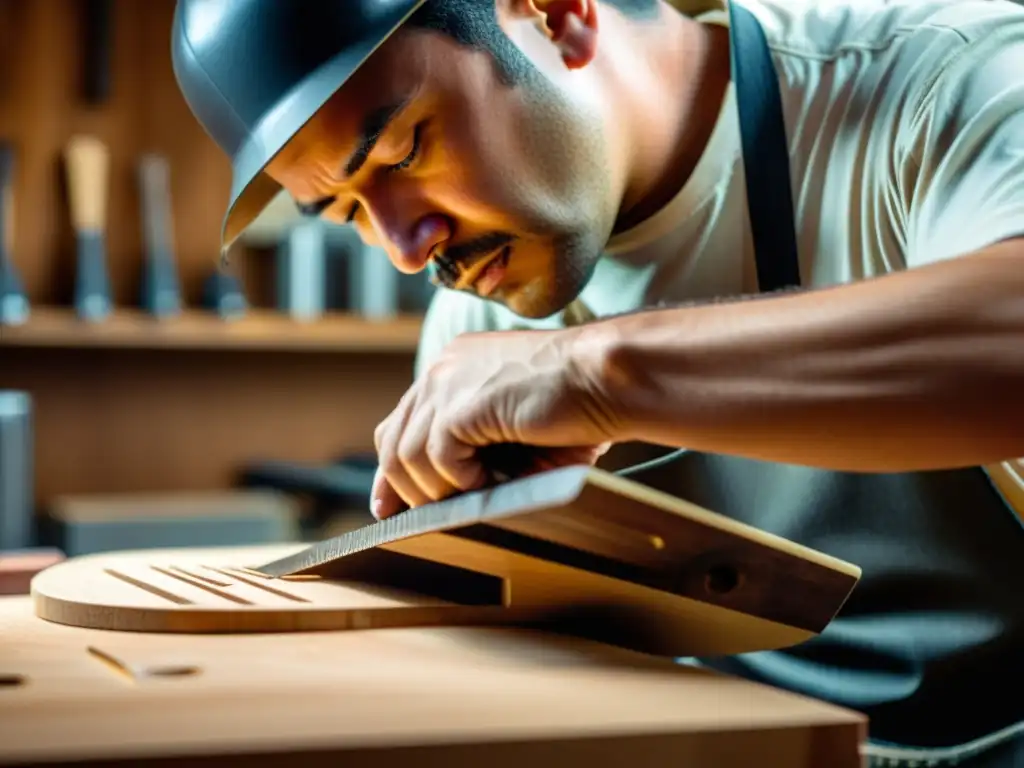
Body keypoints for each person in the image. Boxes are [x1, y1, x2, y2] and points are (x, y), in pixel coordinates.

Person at [171, 0, 1024, 764]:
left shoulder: (944, 85)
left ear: (555, 14)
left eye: (401, 152)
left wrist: (599, 375)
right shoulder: (478, 325)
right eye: (352, 210)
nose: (405, 246)